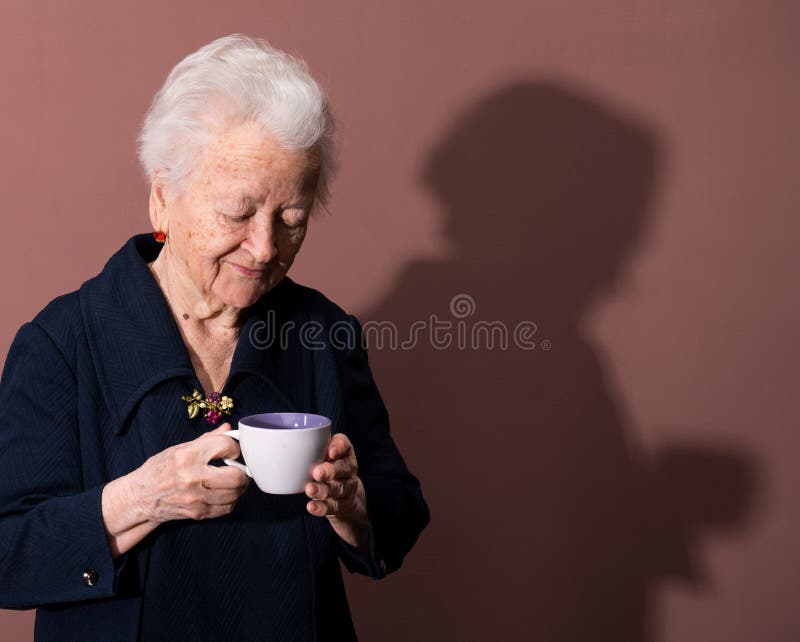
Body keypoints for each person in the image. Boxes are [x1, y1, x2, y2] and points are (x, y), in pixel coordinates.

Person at [0, 34, 429, 641]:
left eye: (292, 221)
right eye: (236, 212)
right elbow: (7, 553)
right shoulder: (62, 342)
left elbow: (400, 515)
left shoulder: (322, 334)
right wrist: (142, 498)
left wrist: (353, 504)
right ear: (162, 198)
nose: (264, 248)